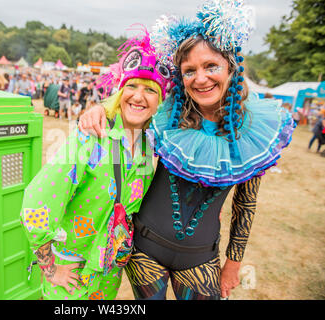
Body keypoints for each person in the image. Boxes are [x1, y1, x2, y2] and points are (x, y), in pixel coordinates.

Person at [78, 0, 295, 300]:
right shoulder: (167, 116)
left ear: (231, 68)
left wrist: (233, 263)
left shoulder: (253, 134)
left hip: (201, 258)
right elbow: (133, 103)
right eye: (189, 70)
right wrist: (98, 109)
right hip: (144, 251)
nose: (200, 78)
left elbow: (246, 204)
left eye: (211, 66)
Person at [19, 28, 173, 300]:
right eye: (132, 87)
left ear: (159, 100)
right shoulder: (92, 138)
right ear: (120, 91)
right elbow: (37, 201)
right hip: (73, 274)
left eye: (150, 89)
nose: (138, 97)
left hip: (109, 272)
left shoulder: (149, 146)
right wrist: (50, 268)